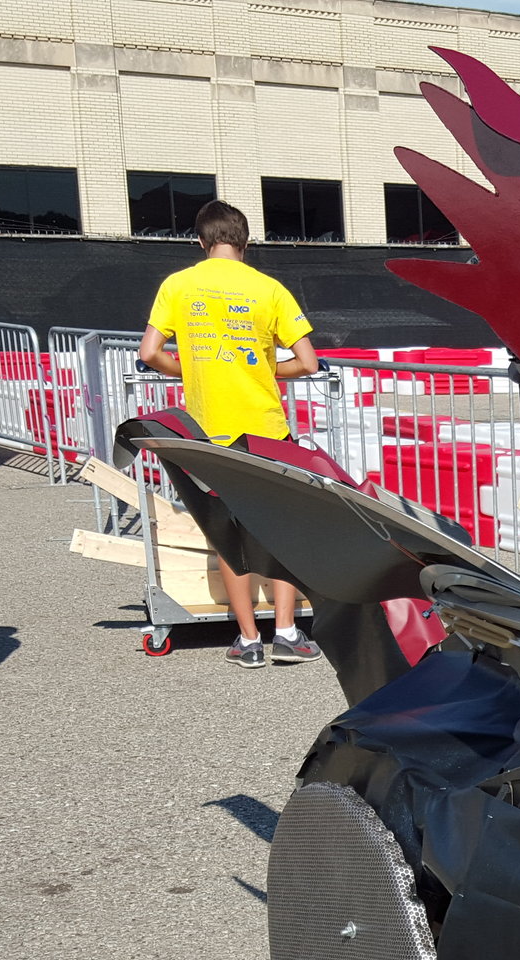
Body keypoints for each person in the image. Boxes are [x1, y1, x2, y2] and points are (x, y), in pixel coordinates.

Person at [139, 201, 323, 669]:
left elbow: (149, 352)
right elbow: (307, 362)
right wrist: (264, 370)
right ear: (244, 242)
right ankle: (286, 632)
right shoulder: (270, 289)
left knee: (228, 537)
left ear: (201, 241)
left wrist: (188, 368)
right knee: (280, 532)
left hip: (209, 431)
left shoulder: (179, 285)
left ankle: (248, 641)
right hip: (266, 430)